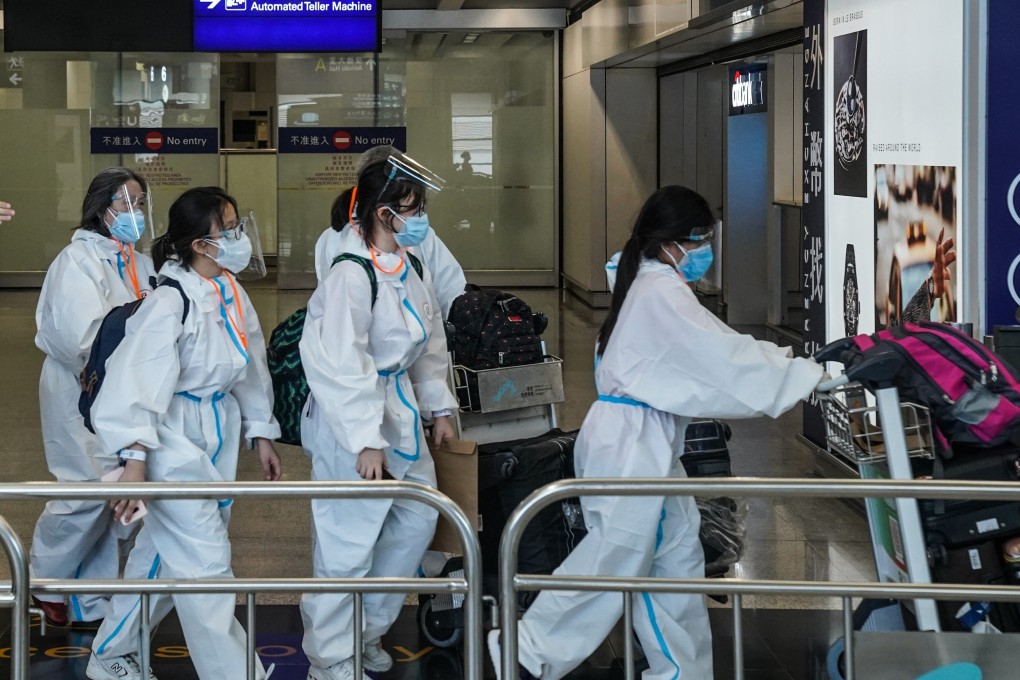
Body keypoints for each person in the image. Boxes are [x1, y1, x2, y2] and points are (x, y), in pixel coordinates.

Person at [490, 186, 827, 680]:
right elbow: (722, 360)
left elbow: (721, 345)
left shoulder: (650, 282)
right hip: (630, 446)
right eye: (699, 239)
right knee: (617, 560)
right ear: (671, 242)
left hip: (641, 440)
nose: (705, 250)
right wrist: (805, 375)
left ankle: (680, 670)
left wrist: (792, 364)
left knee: (674, 557)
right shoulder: (659, 291)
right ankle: (524, 651)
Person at [86, 187, 283, 680]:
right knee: (206, 565)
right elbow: (137, 384)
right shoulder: (169, 302)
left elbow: (250, 361)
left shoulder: (229, 289)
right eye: (230, 229)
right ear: (200, 242)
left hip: (216, 429)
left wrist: (261, 431)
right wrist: (135, 463)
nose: (240, 238)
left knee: (162, 556)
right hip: (171, 435)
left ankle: (110, 653)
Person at [299, 158, 459, 680]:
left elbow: (430, 341)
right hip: (353, 422)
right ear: (383, 212)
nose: (421, 219)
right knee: (346, 544)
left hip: (402, 410)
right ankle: (330, 656)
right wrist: (365, 440)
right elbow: (341, 365)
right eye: (412, 210)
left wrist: (439, 408)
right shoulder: (351, 272)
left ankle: (363, 631)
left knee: (416, 520)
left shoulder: (409, 265)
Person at [31, 167, 157, 627]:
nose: (135, 212)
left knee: (115, 493)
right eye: (126, 203)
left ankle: (87, 596)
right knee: (84, 489)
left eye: (140, 203)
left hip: (124, 390)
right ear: (101, 207)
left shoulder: (138, 261)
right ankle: (44, 577)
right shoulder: (77, 260)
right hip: (81, 387)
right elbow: (78, 336)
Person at [312, 145, 466, 318]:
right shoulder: (343, 256)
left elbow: (450, 288)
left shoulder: (417, 239)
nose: (419, 218)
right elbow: (337, 317)